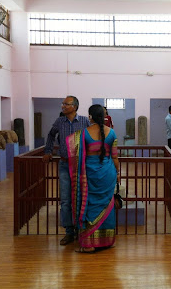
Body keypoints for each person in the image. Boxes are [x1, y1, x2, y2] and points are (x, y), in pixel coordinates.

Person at [66, 104, 120, 253]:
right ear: (103, 116)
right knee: (107, 206)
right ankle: (107, 241)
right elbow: (114, 157)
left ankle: (89, 244)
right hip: (108, 173)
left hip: (89, 173)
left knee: (89, 204)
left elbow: (75, 152)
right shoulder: (112, 133)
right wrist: (118, 172)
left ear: (90, 117)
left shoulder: (83, 134)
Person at [42, 96, 90, 246]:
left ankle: (81, 229)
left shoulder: (84, 122)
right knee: (65, 199)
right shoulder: (59, 122)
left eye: (66, 104)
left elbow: (90, 139)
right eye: (63, 104)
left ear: (74, 107)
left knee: (82, 197)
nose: (63, 106)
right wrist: (48, 151)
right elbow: (50, 135)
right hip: (64, 164)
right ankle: (69, 231)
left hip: (81, 165)